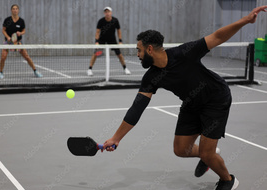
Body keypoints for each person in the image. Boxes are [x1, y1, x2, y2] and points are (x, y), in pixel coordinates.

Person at [103, 6, 267, 190]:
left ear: (149, 49)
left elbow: (218, 37)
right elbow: (137, 108)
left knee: (206, 153)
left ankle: (227, 179)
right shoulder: (151, 77)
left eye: (139, 50)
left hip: (215, 99)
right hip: (191, 103)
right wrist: (116, 138)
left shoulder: (184, 52)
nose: (138, 55)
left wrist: (245, 20)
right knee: (181, 150)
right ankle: (209, 155)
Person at [0, 4, 42, 79]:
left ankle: (35, 71)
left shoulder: (21, 21)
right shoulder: (7, 20)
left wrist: (20, 33)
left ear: (18, 10)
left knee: (27, 57)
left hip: (18, 42)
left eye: (16, 9)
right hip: (8, 42)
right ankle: (1, 73)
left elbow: (24, 31)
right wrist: (8, 37)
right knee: (3, 57)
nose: (15, 10)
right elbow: (3, 30)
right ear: (11, 10)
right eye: (13, 9)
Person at [87, 6, 131, 76]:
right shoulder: (101, 21)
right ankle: (89, 69)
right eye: (106, 12)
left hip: (112, 40)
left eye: (108, 12)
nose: (107, 13)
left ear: (111, 12)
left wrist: (120, 41)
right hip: (102, 40)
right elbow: (97, 32)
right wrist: (96, 41)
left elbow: (119, 31)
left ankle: (125, 68)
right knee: (96, 54)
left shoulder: (115, 20)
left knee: (119, 54)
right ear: (104, 13)